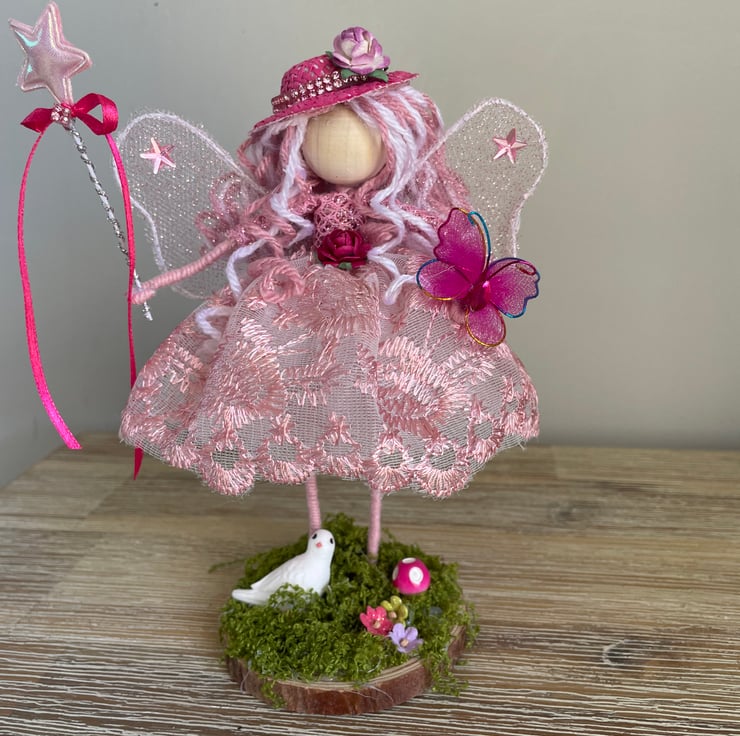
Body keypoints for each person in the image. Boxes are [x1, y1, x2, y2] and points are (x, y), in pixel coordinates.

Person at [120, 28, 539, 558]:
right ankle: (318, 538)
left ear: (393, 138)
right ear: (294, 143)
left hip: (385, 292)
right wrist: (163, 279)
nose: (342, 152)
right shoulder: (292, 208)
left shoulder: (399, 214)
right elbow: (228, 243)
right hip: (301, 292)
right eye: (321, 137)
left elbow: (440, 234)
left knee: (391, 385)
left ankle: (373, 540)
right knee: (293, 387)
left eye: (363, 135)